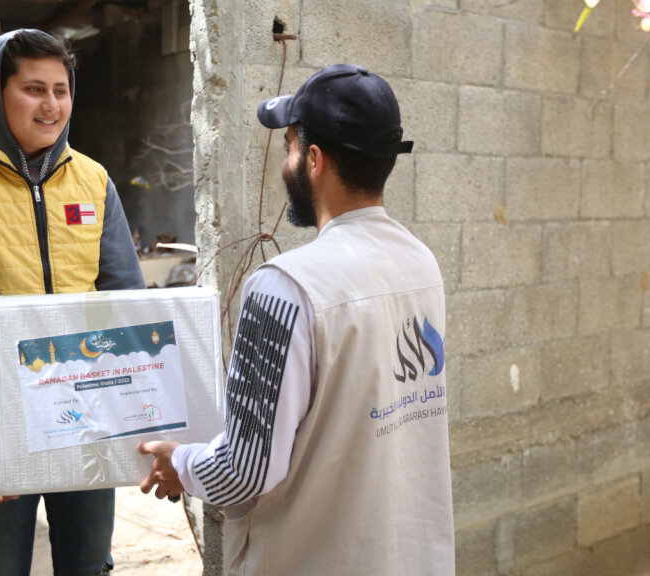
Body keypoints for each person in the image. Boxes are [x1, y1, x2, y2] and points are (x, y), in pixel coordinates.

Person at [137, 64, 455, 575]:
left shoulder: (285, 286)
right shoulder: (420, 263)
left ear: (313, 159)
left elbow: (244, 472)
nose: (284, 164)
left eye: (288, 147)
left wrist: (181, 462)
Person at [0, 29, 143, 576]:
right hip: (0, 415)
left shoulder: (93, 180)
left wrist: (142, 409)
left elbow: (127, 301)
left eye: (61, 90)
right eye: (34, 89)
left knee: (89, 563)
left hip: (89, 409)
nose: (52, 106)